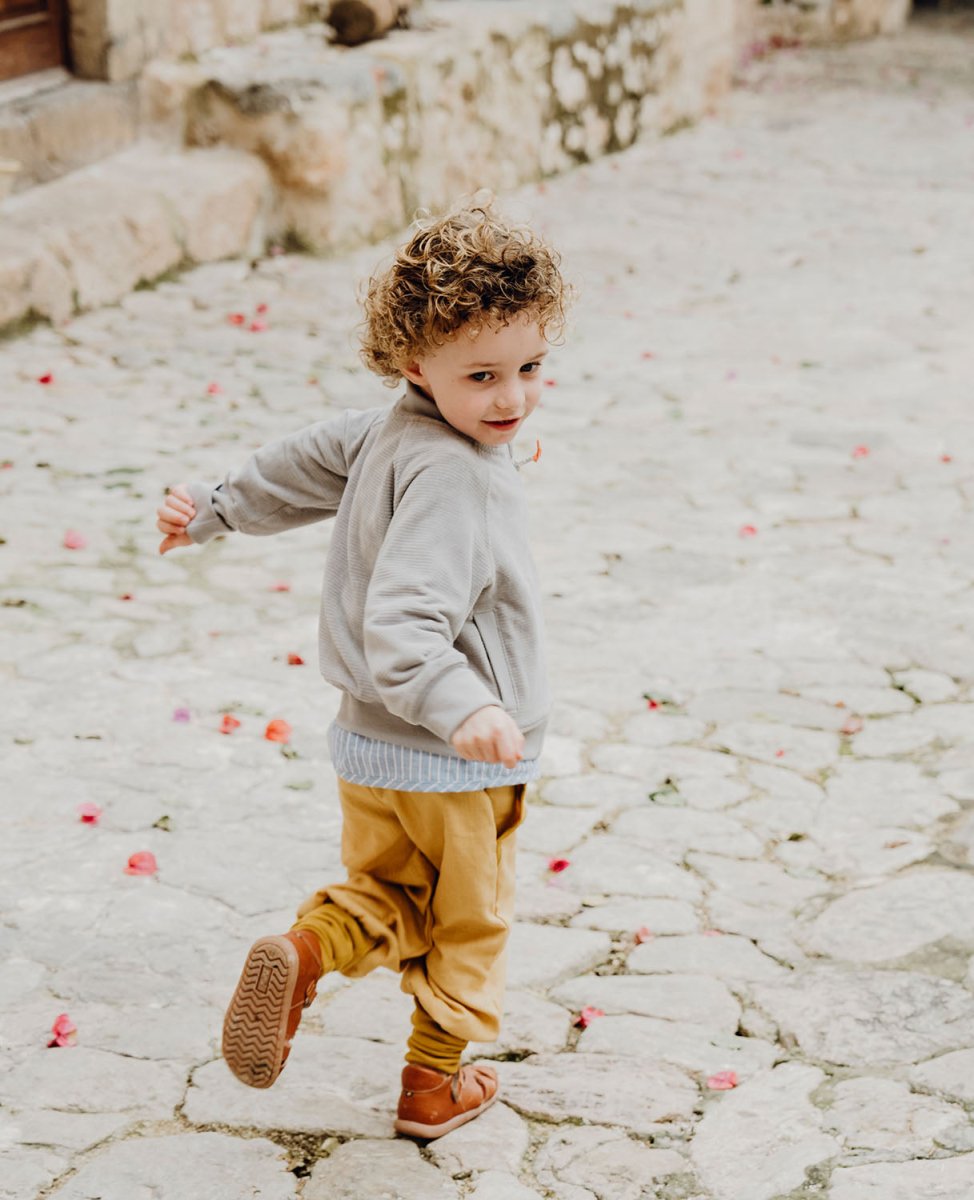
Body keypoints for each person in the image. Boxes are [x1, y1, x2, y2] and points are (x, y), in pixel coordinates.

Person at [155, 202, 570, 1139]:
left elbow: (295, 469)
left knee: (388, 895)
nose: (510, 398)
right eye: (483, 377)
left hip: (370, 753)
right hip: (456, 753)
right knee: (468, 922)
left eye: (529, 369)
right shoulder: (456, 475)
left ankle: (305, 951)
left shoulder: (396, 429)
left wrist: (213, 507)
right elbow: (408, 614)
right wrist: (461, 705)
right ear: (413, 364)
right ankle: (432, 1087)